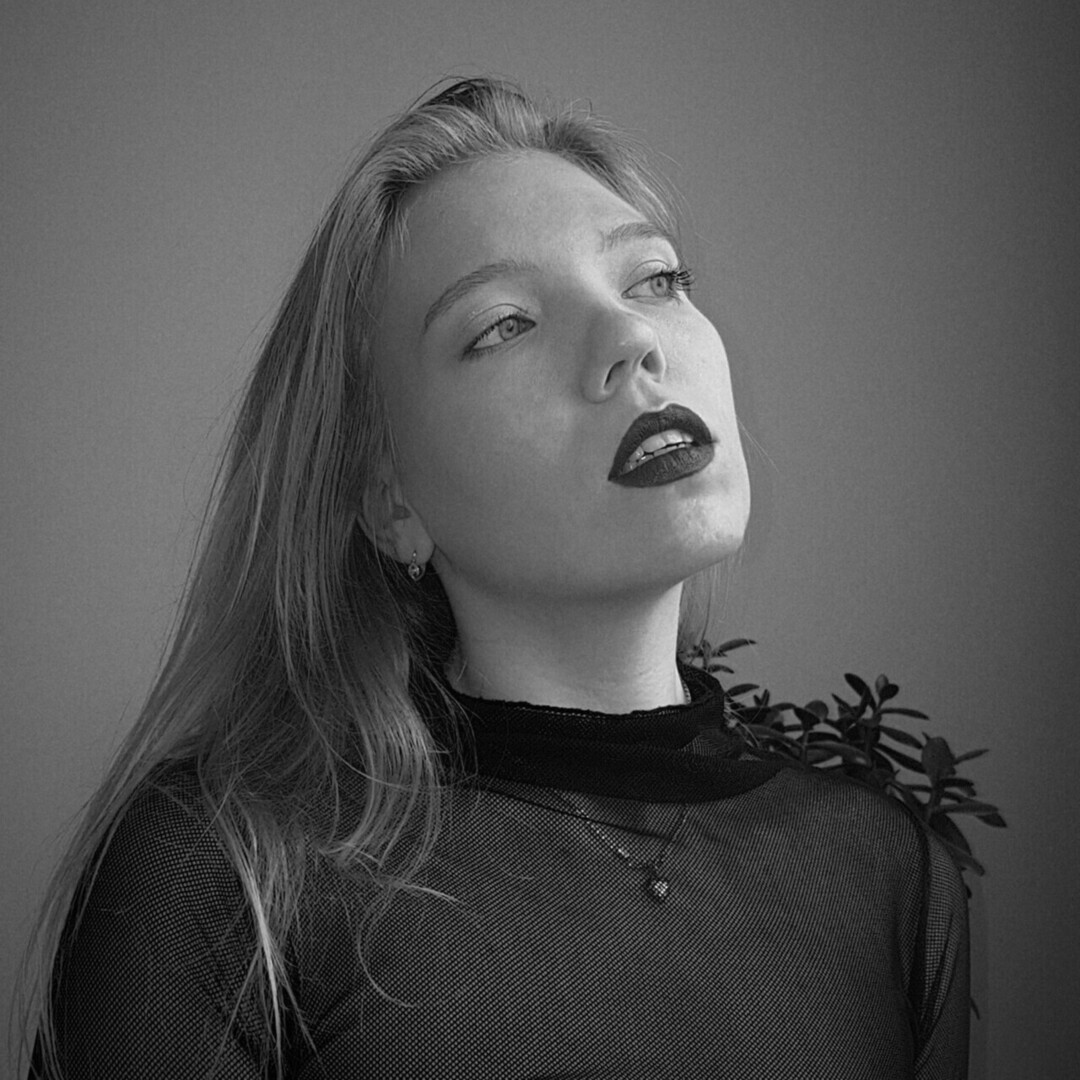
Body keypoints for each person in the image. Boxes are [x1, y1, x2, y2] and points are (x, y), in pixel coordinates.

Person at [20, 77, 969, 1079]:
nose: (633, 340)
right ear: (389, 496)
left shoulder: (889, 877)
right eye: (505, 324)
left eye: (654, 278)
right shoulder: (226, 875)